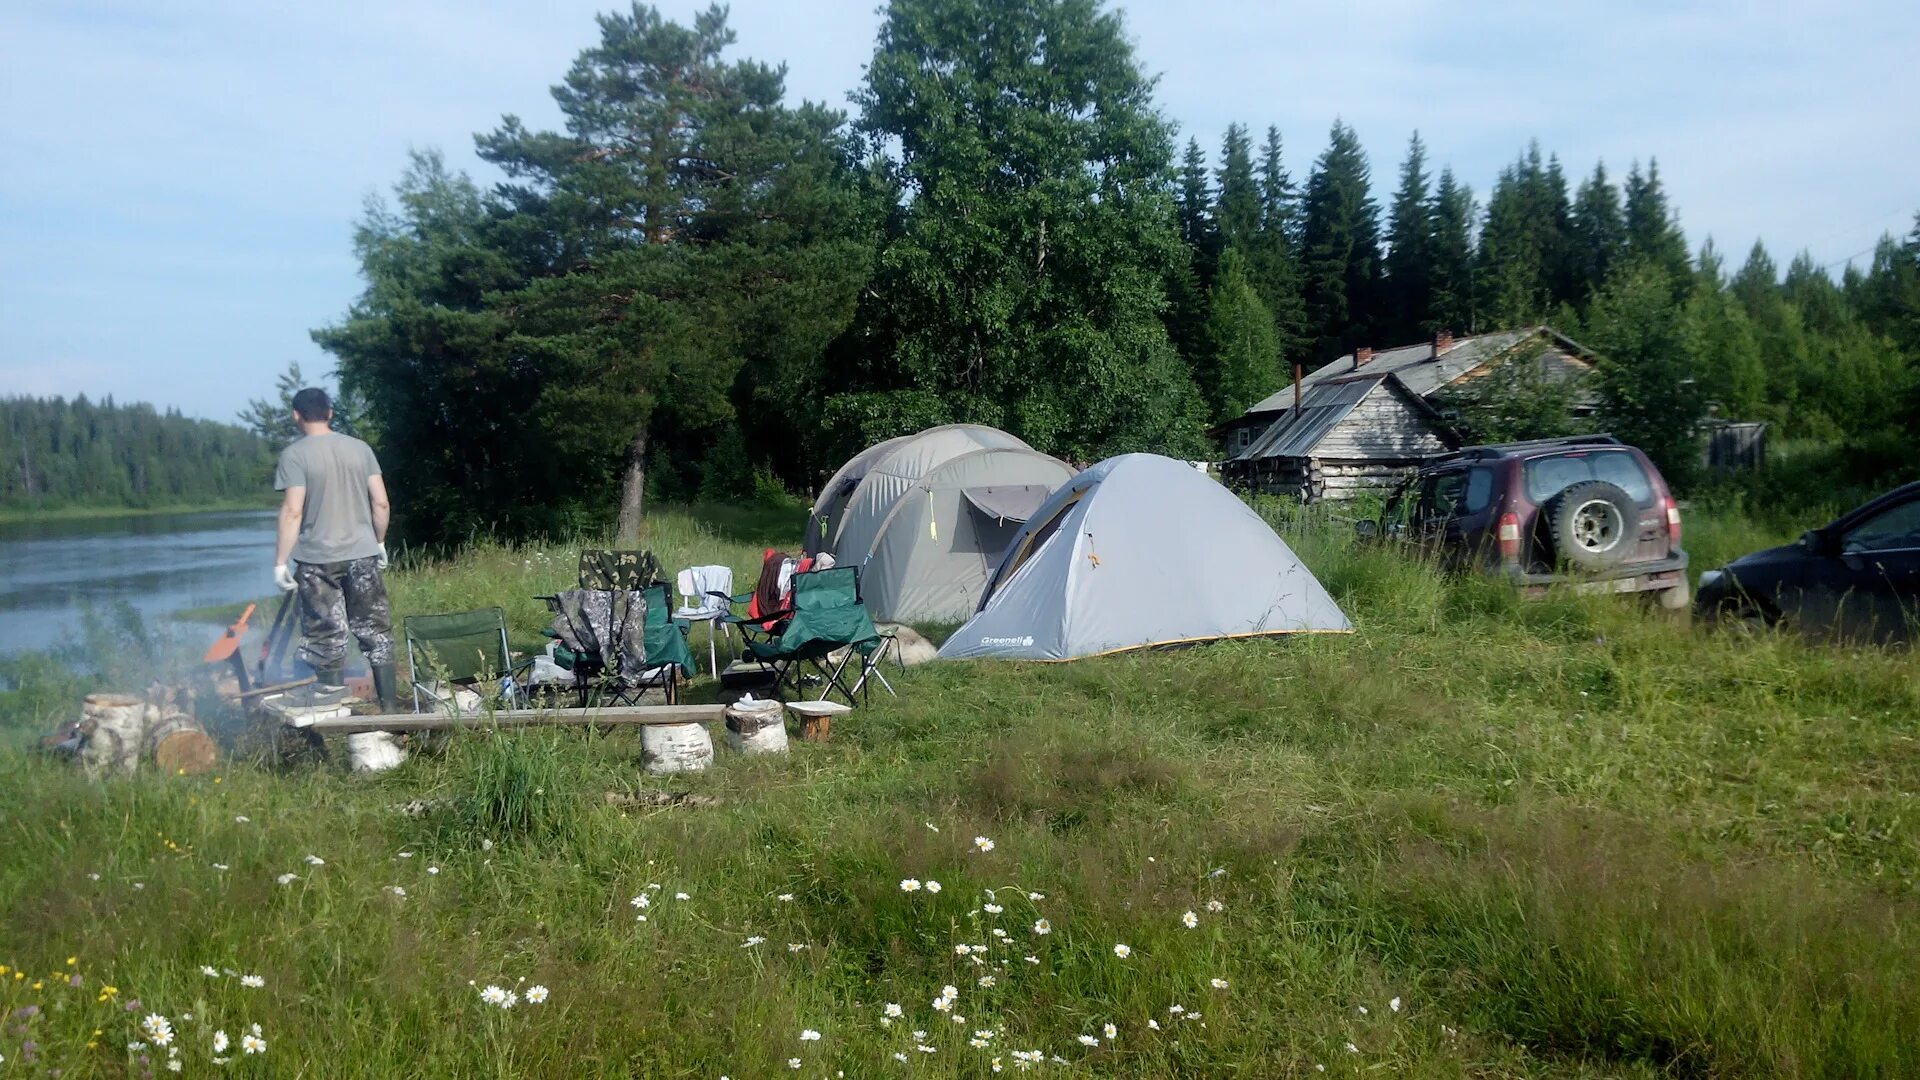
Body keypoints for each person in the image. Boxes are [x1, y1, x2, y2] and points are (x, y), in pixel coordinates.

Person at [271, 388, 397, 709]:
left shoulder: (295, 455)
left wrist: (280, 561)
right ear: (330, 413)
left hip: (317, 560)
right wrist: (378, 541)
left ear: (296, 415)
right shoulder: (360, 449)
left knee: (326, 632)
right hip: (362, 554)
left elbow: (293, 511)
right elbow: (381, 502)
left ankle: (330, 708)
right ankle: (391, 708)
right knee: (375, 629)